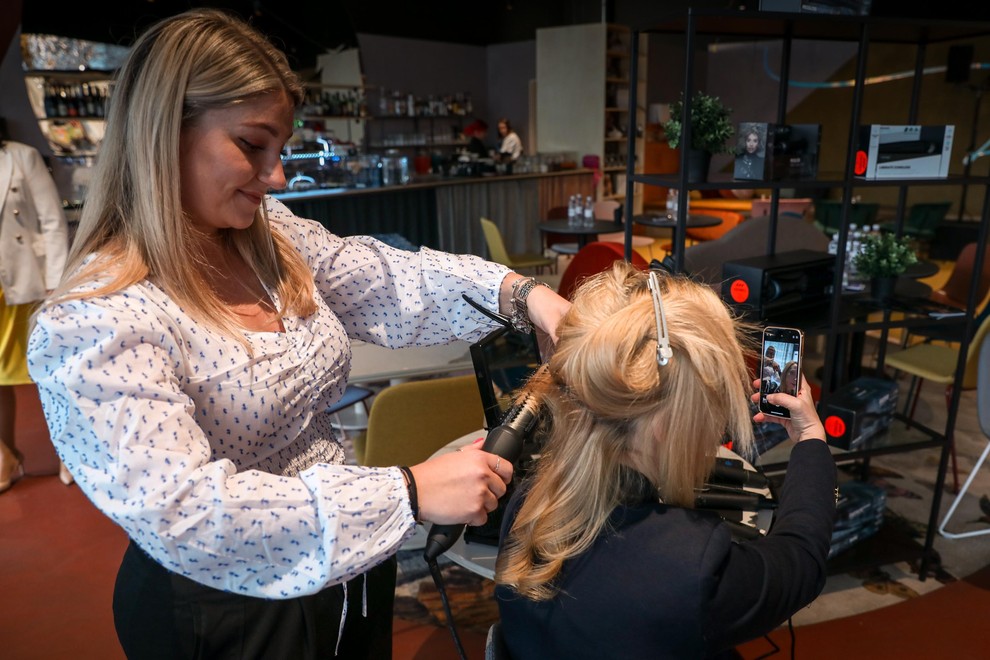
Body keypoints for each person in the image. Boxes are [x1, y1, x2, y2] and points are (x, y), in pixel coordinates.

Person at [25, 9, 570, 659]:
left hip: (350, 569)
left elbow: (388, 281)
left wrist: (525, 296)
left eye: (280, 149)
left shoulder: (271, 239)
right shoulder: (96, 321)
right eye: (252, 146)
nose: (277, 175)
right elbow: (189, 512)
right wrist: (410, 490)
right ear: (163, 134)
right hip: (228, 612)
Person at [494, 262, 837, 659]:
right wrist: (811, 438)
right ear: (666, 426)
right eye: (714, 404)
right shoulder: (694, 568)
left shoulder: (527, 506)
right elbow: (800, 562)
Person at [0, 119, 70, 494]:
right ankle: (6, 456)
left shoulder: (21, 157)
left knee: (46, 370)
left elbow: (51, 221)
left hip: (25, 283)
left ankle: (68, 450)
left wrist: (56, 284)